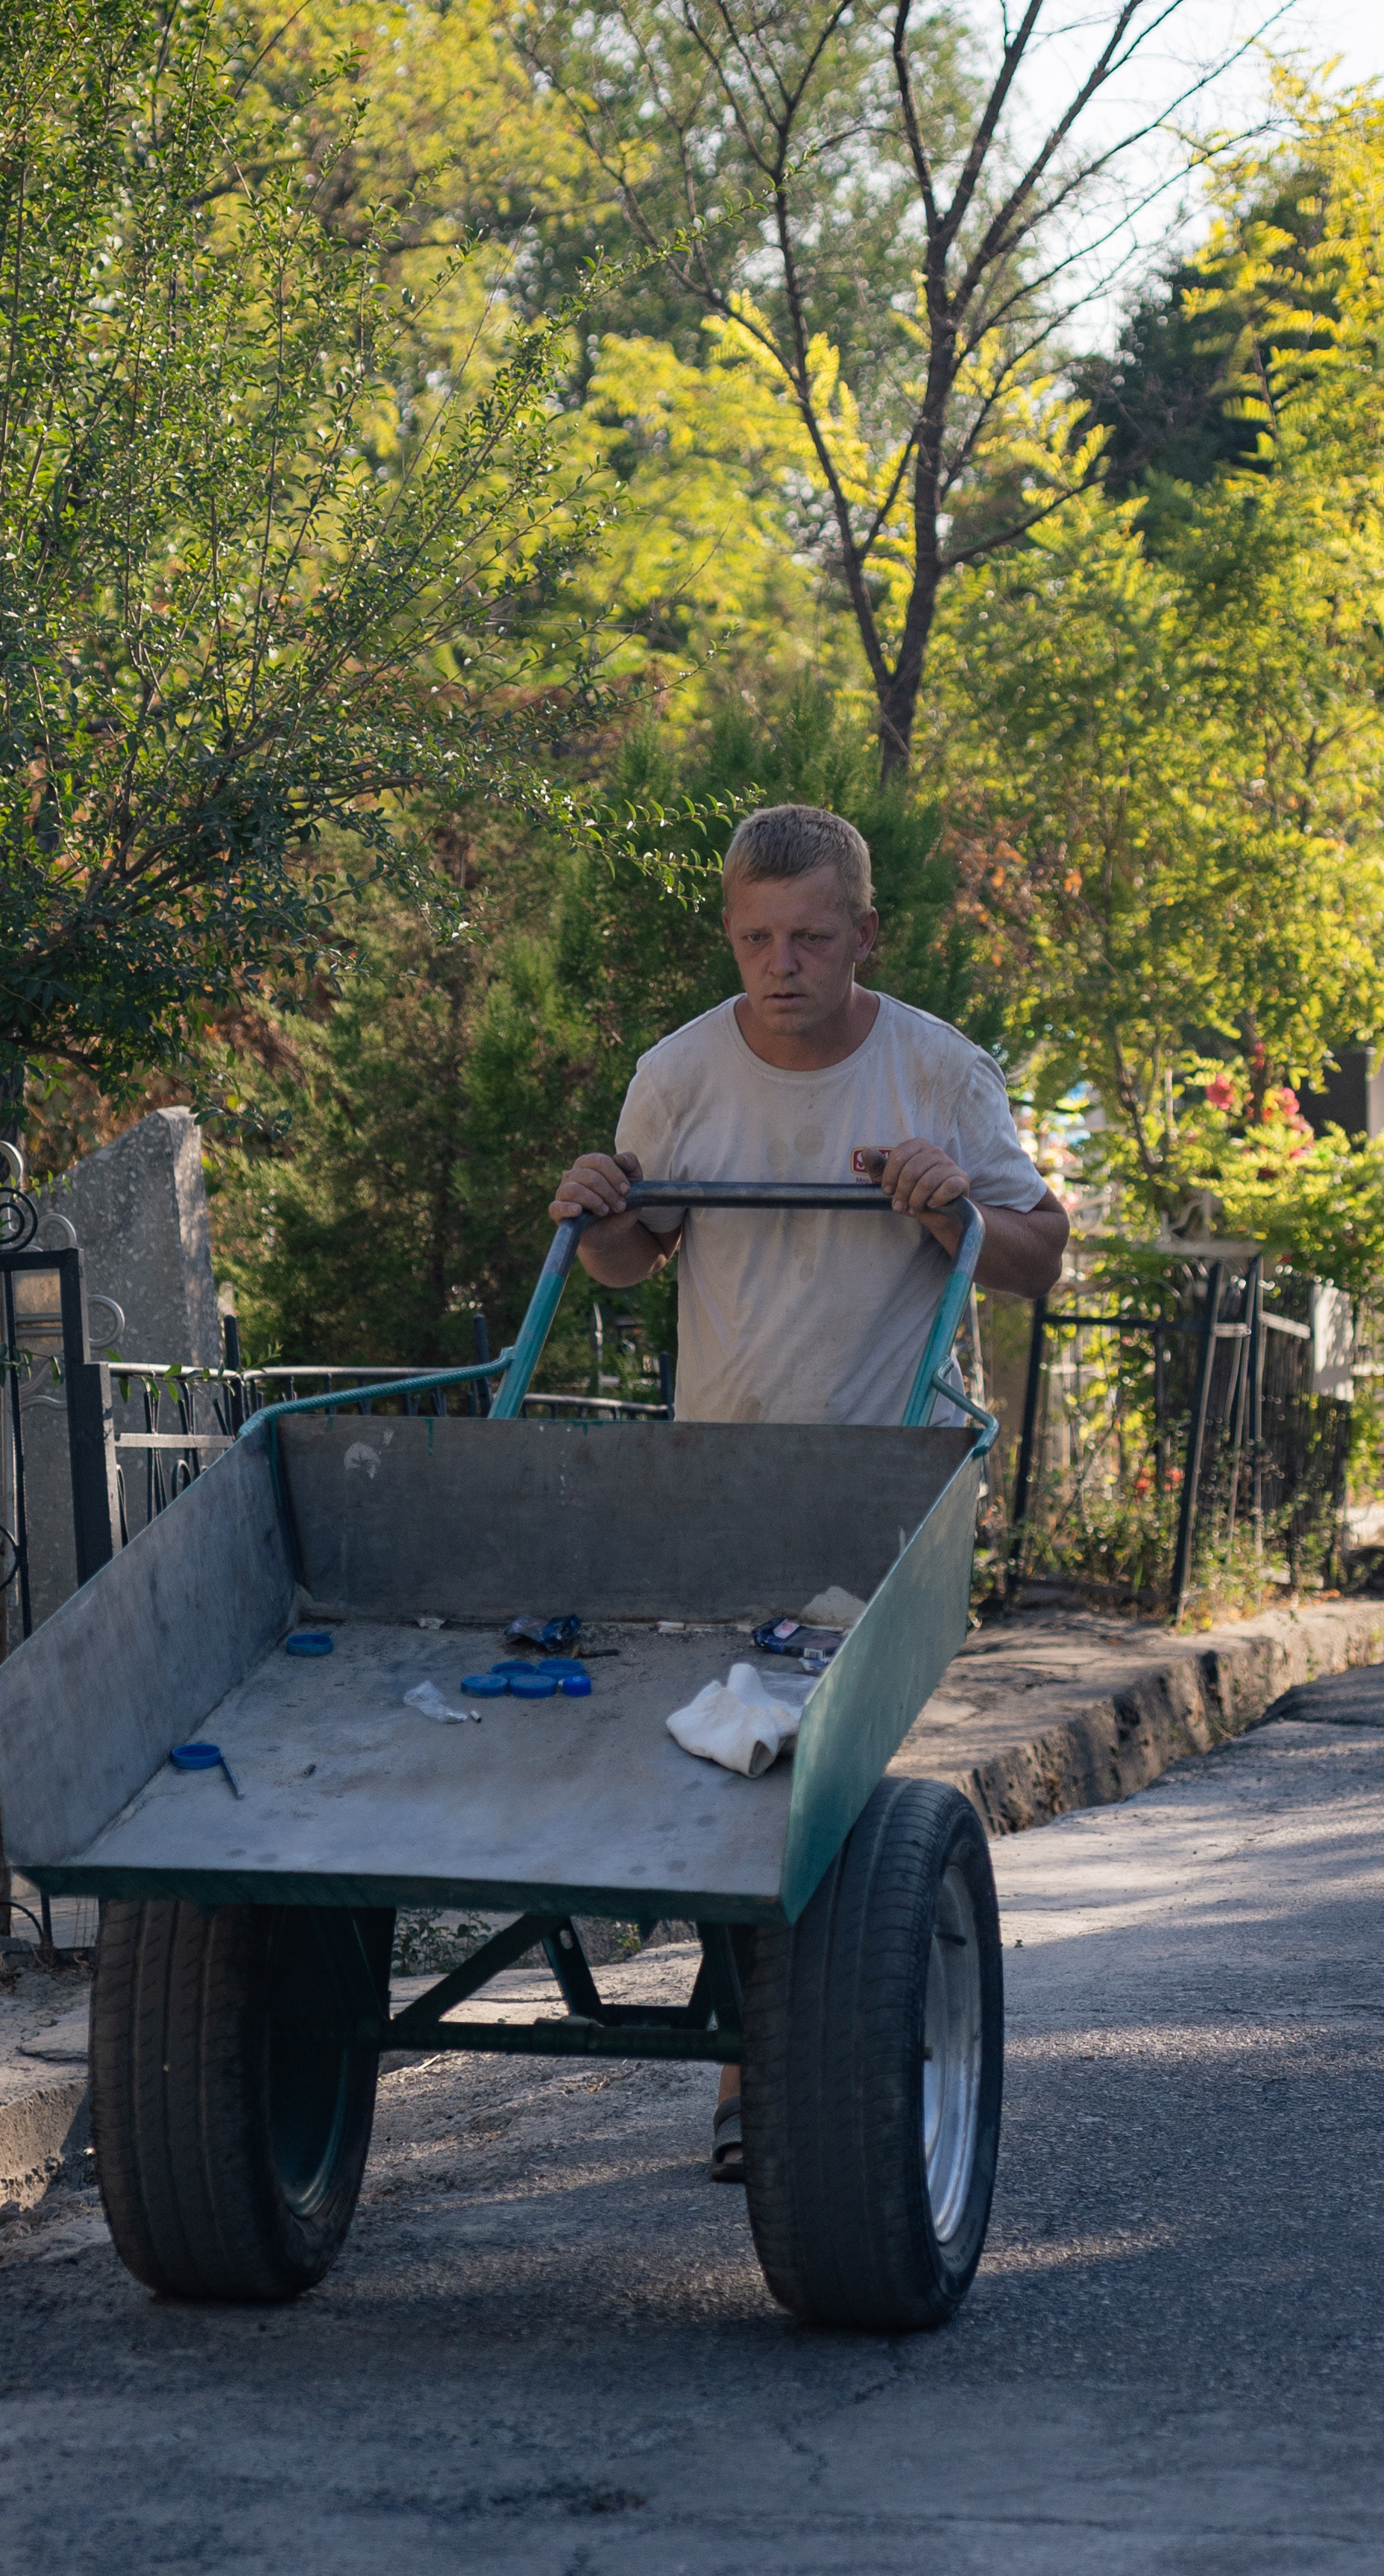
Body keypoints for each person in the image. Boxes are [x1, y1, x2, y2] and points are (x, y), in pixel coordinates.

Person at [549, 802, 1068, 2183]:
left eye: (810, 939)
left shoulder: (935, 1070)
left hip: (884, 1480)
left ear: (864, 937)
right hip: (720, 1481)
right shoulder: (677, 1074)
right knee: (741, 1763)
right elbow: (631, 1256)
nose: (781, 965)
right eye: (755, 939)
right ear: (730, 935)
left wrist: (949, 1208)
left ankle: (758, 2071)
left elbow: (1037, 1260)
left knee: (808, 1770)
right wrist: (600, 1212)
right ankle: (769, 2044)